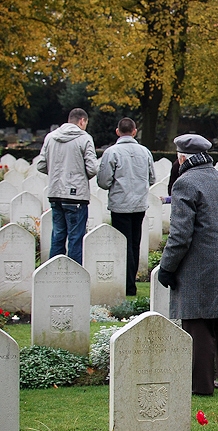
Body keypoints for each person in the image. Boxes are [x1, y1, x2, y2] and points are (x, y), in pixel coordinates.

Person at [158, 134, 218, 395]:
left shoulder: (185, 183)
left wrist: (167, 267)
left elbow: (180, 235)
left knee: (198, 328)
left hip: (197, 267)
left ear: (182, 157)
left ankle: (202, 385)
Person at [97, 118, 156, 296]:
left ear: (117, 132)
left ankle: (127, 284)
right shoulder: (144, 152)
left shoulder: (111, 152)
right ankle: (130, 283)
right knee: (134, 244)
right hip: (139, 204)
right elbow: (152, 178)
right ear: (134, 131)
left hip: (120, 204)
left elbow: (104, 181)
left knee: (123, 244)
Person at [37, 108, 98, 265]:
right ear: (82, 121)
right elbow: (92, 168)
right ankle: (73, 279)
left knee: (57, 236)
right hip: (76, 196)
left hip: (55, 193)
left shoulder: (51, 137)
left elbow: (41, 165)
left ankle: (53, 276)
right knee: (75, 239)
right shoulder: (85, 138)